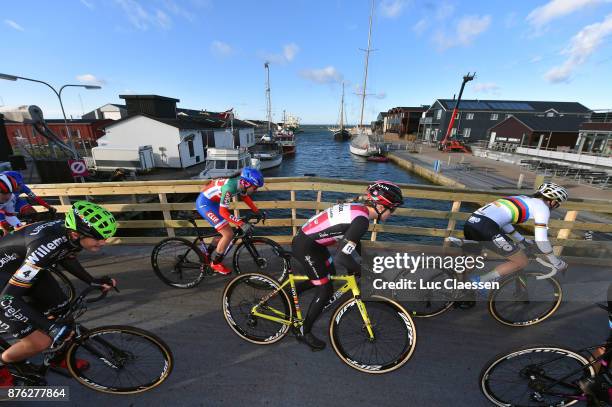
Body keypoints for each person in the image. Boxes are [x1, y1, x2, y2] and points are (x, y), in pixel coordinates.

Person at [0, 200, 118, 387]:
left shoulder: (70, 236)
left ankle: (60, 358)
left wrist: (91, 281)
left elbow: (66, 256)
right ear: (76, 233)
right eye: (98, 237)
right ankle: (3, 366)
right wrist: (50, 328)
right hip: (4, 282)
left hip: (22, 267)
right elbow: (8, 299)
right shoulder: (44, 247)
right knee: (41, 341)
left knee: (63, 309)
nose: (103, 242)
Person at [291, 180, 403, 351]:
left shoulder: (361, 211)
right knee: (325, 289)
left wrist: (364, 261)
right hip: (307, 246)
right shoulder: (362, 221)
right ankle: (303, 331)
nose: (393, 214)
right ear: (380, 207)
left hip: (314, 243)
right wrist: (363, 271)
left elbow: (352, 239)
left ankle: (292, 293)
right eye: (392, 209)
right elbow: (342, 256)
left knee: (329, 274)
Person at [462, 182, 569, 286]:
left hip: (472, 223)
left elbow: (503, 222)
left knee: (469, 264)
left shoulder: (521, 198)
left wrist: (522, 240)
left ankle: (455, 293)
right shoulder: (542, 208)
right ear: (553, 202)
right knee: (521, 262)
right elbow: (541, 240)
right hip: (486, 227)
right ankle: (478, 282)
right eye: (558, 204)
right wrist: (556, 262)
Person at [195, 167, 265, 275]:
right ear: (246, 184)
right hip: (205, 204)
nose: (256, 190)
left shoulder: (241, 184)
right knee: (228, 234)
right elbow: (223, 212)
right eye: (255, 188)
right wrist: (241, 223)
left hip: (214, 203)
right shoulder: (230, 188)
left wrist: (257, 211)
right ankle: (215, 263)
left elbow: (245, 197)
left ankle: (207, 254)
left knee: (223, 232)